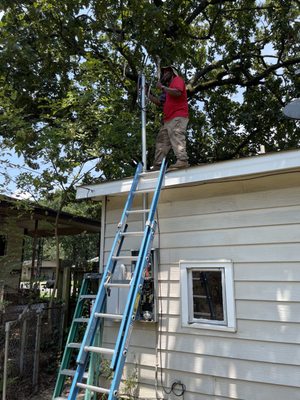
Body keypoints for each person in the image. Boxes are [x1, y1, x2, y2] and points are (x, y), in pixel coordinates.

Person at [148, 65, 189, 170]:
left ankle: (182, 160)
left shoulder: (177, 80)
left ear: (172, 73)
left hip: (178, 115)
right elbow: (159, 102)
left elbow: (178, 92)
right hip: (168, 119)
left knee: (176, 135)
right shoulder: (167, 90)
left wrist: (162, 87)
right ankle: (158, 164)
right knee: (162, 140)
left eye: (166, 72)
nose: (164, 75)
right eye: (164, 73)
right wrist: (146, 93)